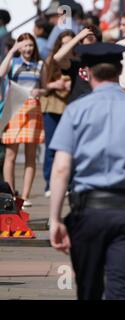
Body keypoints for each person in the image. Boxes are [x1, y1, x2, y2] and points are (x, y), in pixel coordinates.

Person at [49, 42, 125, 300]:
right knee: (122, 291)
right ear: (120, 70)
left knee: (88, 291)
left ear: (87, 72)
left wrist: (55, 219)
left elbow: (61, 168)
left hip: (87, 212)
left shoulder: (76, 109)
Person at [0, 33, 45, 207]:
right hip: (15, 106)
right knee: (10, 154)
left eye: (30, 45)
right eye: (24, 45)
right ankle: (10, 194)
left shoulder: (40, 64)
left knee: (30, 155)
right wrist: (12, 51)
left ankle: (25, 196)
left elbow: (45, 87)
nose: (27, 49)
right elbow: (1, 73)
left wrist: (39, 92)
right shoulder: (13, 62)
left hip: (33, 108)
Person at [40, 30, 75, 198]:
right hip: (52, 108)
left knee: (68, 149)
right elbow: (42, 85)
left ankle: (66, 182)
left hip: (69, 109)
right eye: (64, 43)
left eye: (71, 42)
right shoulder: (51, 61)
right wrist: (57, 84)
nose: (68, 46)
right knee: (51, 148)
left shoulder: (76, 62)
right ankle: (49, 183)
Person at [53, 25, 102, 104]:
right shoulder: (76, 63)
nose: (88, 39)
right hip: (77, 106)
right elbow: (57, 58)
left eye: (91, 37)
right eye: (85, 37)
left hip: (95, 105)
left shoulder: (103, 64)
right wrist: (78, 36)